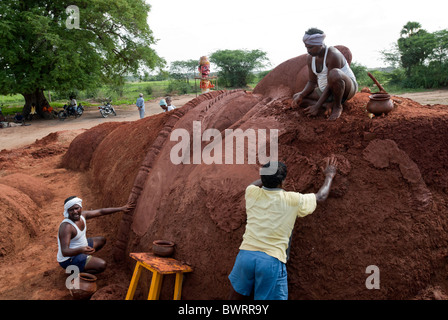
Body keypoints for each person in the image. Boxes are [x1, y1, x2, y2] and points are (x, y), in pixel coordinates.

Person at [228, 156, 338, 300]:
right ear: (282, 182)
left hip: (246, 256)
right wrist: (329, 175)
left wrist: (267, 176)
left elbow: (254, 184)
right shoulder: (293, 200)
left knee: (235, 298)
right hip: (270, 260)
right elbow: (321, 196)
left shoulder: (251, 193)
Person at [292, 28, 358, 120]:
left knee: (334, 73)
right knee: (297, 97)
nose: (308, 51)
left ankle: (337, 106)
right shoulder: (310, 58)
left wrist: (317, 106)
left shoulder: (333, 55)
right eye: (306, 47)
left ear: (320, 44)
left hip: (346, 89)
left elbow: (332, 83)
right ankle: (326, 104)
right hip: (326, 90)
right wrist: (301, 95)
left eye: (310, 47)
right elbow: (312, 82)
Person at [57, 196, 133, 274]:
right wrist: (81, 250)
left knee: (101, 240)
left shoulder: (83, 215)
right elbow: (65, 251)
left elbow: (101, 211)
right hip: (69, 259)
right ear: (67, 211)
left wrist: (121, 209)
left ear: (80, 207)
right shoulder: (67, 227)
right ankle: (76, 272)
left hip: (81, 248)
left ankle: (84, 261)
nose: (75, 212)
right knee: (102, 265)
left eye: (76, 208)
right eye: (71, 210)